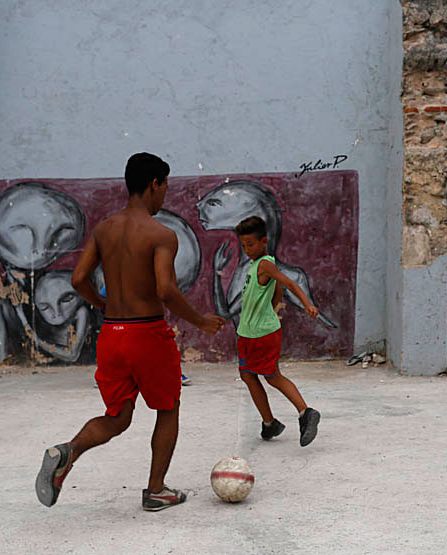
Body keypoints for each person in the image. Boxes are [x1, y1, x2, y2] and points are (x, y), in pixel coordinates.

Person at [35, 153, 225, 511]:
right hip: (147, 334)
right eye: (165, 186)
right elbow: (166, 289)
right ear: (154, 184)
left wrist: (103, 305)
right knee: (167, 409)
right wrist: (200, 320)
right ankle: (156, 491)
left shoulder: (104, 229)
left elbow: (78, 279)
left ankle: (69, 450)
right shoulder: (162, 235)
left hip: (111, 335)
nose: (165, 194)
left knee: (117, 417)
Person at [233, 216, 321, 447]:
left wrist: (307, 304)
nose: (247, 250)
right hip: (248, 333)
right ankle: (269, 423)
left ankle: (306, 412)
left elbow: (290, 284)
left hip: (262, 335)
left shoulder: (265, 264)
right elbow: (278, 293)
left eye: (250, 244)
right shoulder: (256, 266)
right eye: (243, 245)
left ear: (264, 241)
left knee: (272, 376)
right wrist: (265, 312)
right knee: (248, 375)